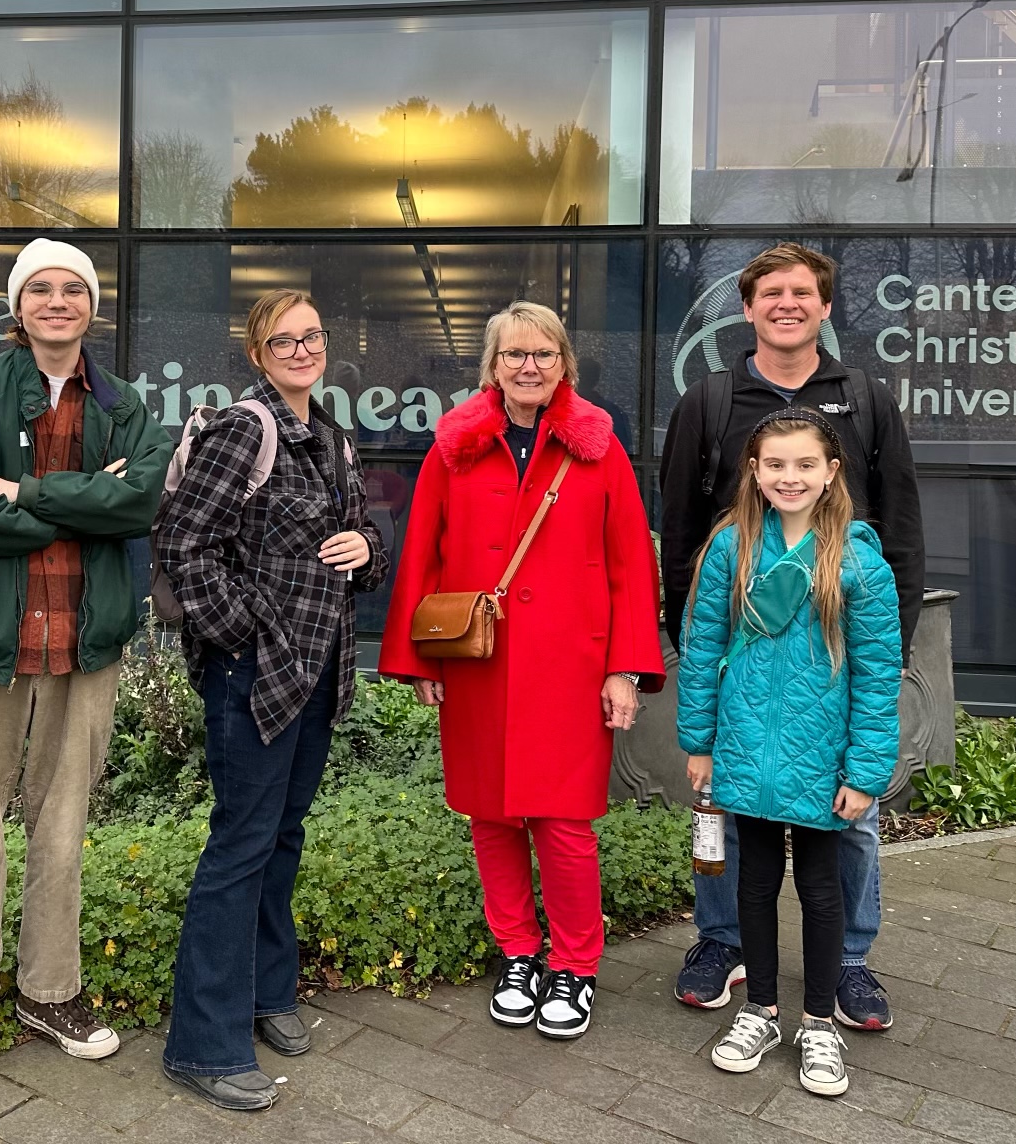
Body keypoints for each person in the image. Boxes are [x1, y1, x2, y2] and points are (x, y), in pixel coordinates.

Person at [0, 239, 172, 1089]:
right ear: (18, 308)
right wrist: (84, 504)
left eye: (75, 290)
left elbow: (142, 500)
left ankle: (50, 991)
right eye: (42, 290)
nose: (59, 302)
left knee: (62, 828)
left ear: (93, 308)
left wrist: (22, 493)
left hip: (82, 644)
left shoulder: (125, 404)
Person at [379, 301, 664, 1041]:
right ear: (492, 366)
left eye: (542, 355)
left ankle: (575, 965)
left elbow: (633, 562)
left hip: (573, 666)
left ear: (564, 363)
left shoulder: (598, 448)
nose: (528, 367)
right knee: (491, 817)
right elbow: (422, 553)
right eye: (514, 355)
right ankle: (518, 952)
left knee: (566, 825)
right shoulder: (456, 446)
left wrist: (625, 669)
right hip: (479, 662)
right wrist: (418, 659)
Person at [657, 242, 922, 1030]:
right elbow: (679, 535)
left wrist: (888, 650)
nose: (786, 303)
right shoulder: (709, 401)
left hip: (836, 660)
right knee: (726, 815)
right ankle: (722, 942)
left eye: (802, 292)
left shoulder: (865, 398)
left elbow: (900, 524)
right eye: (770, 292)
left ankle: (848, 962)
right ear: (747, 308)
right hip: (740, 661)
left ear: (825, 306)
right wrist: (695, 657)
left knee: (850, 823)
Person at [153, 290, 390, 1111]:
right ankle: (202, 1044)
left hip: (318, 673)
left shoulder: (332, 439)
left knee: (280, 837)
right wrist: (245, 634)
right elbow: (183, 542)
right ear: (257, 354)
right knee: (241, 846)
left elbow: (362, 543)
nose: (301, 350)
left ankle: (267, 992)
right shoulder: (239, 431)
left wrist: (370, 546)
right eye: (282, 341)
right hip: (254, 674)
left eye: (313, 337)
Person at [679, 408, 902, 1099]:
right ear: (754, 471)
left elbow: (877, 674)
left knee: (821, 889)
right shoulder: (730, 548)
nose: (790, 476)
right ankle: (761, 1011)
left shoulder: (859, 559)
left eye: (806, 464)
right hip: (745, 747)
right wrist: (700, 742)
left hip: (822, 758)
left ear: (832, 473)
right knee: (750, 884)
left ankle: (818, 1023)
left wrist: (865, 772)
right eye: (775, 464)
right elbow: (702, 650)